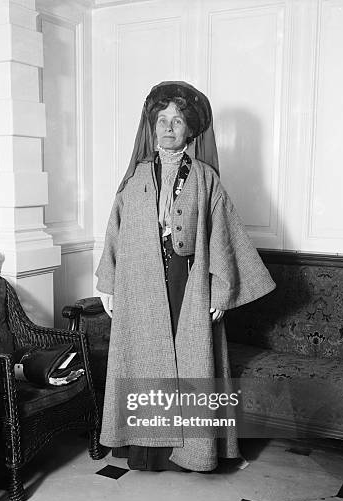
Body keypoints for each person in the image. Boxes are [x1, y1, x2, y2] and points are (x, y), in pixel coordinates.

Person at [95, 81, 276, 472]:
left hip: (189, 281)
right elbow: (115, 230)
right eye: (161, 120)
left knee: (192, 360)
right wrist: (108, 283)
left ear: (190, 130)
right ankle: (148, 450)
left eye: (177, 120)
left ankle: (196, 452)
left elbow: (224, 236)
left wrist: (221, 289)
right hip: (140, 282)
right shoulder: (134, 178)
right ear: (152, 127)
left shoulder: (206, 178)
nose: (168, 127)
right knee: (147, 358)